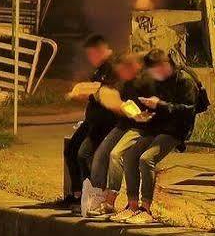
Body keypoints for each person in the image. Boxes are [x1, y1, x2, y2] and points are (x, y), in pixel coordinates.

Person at [105, 50, 208, 223]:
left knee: (146, 159)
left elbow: (188, 110)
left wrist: (160, 104)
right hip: (157, 126)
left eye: (154, 71)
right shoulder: (159, 81)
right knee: (130, 156)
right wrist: (144, 109)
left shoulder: (184, 80)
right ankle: (132, 206)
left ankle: (146, 209)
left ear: (163, 66)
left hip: (175, 129)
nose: (152, 76)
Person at [81, 52, 148, 217]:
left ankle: (111, 201)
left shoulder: (145, 83)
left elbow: (141, 110)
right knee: (100, 155)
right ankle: (98, 197)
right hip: (123, 124)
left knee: (115, 155)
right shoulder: (124, 82)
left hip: (139, 127)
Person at [56, 34, 116, 209]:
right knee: (71, 149)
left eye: (92, 54)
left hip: (104, 123)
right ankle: (77, 193)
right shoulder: (99, 70)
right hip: (91, 120)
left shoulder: (112, 67)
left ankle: (93, 194)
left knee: (84, 154)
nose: (90, 58)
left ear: (100, 51)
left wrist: (84, 92)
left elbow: (104, 93)